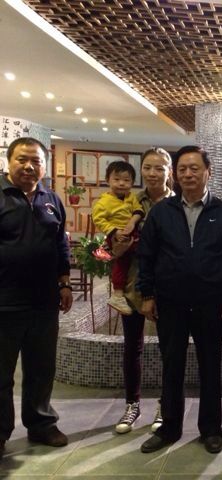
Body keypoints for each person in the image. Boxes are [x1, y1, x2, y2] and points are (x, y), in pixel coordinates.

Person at [136, 145, 222, 454]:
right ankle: (169, 428)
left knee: (211, 366)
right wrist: (147, 294)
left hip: (211, 302)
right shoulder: (161, 212)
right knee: (172, 365)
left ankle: (210, 429)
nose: (188, 174)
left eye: (195, 168)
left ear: (208, 172)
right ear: (175, 174)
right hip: (171, 302)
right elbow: (147, 256)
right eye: (182, 169)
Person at [0, 137, 73, 460]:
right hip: (4, 302)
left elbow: (60, 244)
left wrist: (64, 282)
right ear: (9, 161)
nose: (29, 167)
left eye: (36, 161)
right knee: (1, 373)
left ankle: (41, 424)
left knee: (41, 369)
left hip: (44, 302)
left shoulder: (50, 199)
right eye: (22, 159)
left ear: (44, 165)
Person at [112, 148, 174, 435]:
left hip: (168, 287)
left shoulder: (177, 204)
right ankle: (132, 405)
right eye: (147, 167)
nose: (152, 173)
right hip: (133, 285)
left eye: (159, 168)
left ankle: (165, 405)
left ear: (168, 172)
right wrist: (118, 243)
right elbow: (112, 248)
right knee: (132, 347)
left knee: (168, 349)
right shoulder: (130, 202)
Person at [91, 161, 145, 315]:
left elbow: (139, 211)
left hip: (131, 232)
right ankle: (118, 294)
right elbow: (99, 220)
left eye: (126, 180)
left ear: (132, 183)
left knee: (135, 257)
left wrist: (132, 222)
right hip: (116, 236)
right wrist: (115, 232)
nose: (121, 183)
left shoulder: (131, 197)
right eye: (117, 179)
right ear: (107, 180)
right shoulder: (103, 202)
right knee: (122, 262)